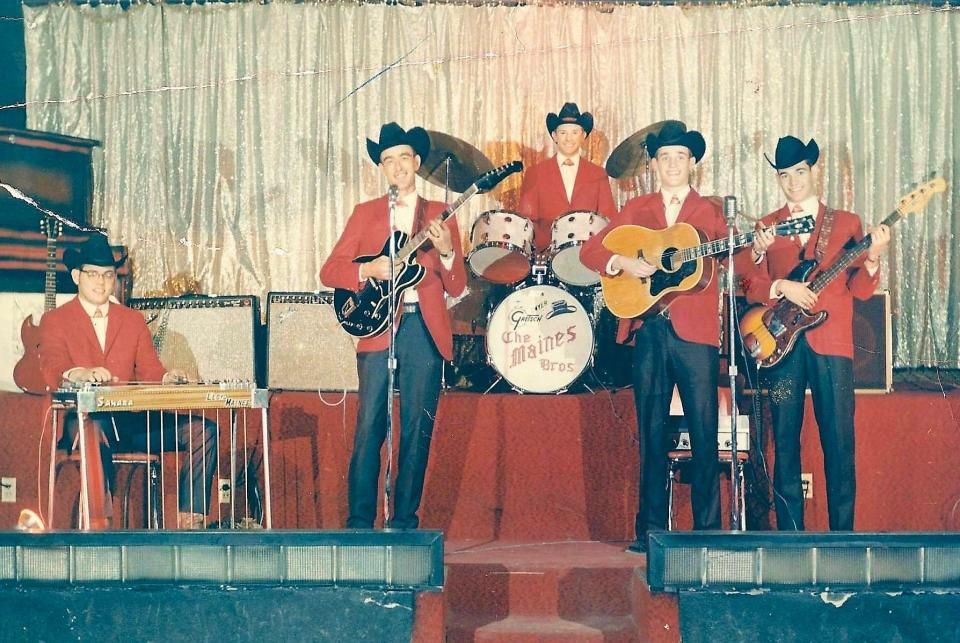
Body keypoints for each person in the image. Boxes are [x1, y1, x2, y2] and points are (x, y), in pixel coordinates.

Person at [579, 121, 764, 552]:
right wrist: (623, 262)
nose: (673, 165)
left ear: (692, 164)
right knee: (652, 430)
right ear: (655, 165)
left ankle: (706, 531)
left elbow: (745, 266)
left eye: (680, 157)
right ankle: (649, 532)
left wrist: (755, 247)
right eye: (665, 158)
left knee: (703, 432)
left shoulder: (713, 212)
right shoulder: (638, 208)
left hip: (695, 333)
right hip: (648, 331)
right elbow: (590, 251)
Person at [320, 122, 466, 529]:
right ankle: (359, 522)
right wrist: (369, 267)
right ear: (382, 168)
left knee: (417, 427)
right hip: (378, 326)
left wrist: (449, 250)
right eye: (389, 160)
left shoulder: (438, 213)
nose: (398, 165)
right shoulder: (365, 214)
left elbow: (457, 284)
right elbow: (329, 270)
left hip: (424, 327)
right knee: (369, 424)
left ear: (417, 163)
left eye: (405, 157)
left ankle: (405, 522)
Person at [748, 135, 890, 531]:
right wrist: (779, 285)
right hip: (780, 348)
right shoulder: (766, 226)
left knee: (839, 440)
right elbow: (748, 284)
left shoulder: (845, 223)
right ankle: (790, 538)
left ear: (813, 171)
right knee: (785, 441)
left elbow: (860, 289)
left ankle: (841, 537)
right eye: (784, 175)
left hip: (832, 346)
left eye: (799, 172)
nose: (793, 182)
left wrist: (874, 256)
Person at [39, 234, 218, 529]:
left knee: (204, 431)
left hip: (131, 423)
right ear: (76, 277)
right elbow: (52, 366)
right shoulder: (55, 320)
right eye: (93, 274)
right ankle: (99, 525)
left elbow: (149, 370)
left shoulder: (132, 320)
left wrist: (166, 377)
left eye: (108, 275)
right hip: (83, 423)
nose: (101, 282)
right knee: (93, 431)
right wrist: (78, 372)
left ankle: (192, 521)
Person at [517, 102, 618, 253]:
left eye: (574, 132)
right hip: (546, 254)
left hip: (588, 254)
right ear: (554, 136)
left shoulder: (598, 174)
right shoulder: (535, 173)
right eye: (563, 132)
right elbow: (526, 221)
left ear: (583, 136)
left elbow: (608, 218)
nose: (568, 138)